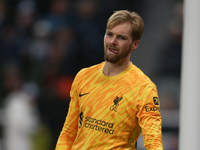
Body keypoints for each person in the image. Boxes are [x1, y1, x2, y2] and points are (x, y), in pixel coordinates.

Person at [55, 10, 163, 150]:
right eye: (109, 34)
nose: (112, 42)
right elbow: (69, 132)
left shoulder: (143, 88)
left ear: (135, 44)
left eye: (121, 38)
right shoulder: (84, 76)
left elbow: (153, 142)